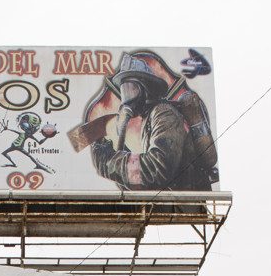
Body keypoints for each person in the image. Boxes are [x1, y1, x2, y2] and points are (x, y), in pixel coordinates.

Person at [88, 54, 213, 192]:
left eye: (131, 89)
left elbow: (158, 169)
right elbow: (142, 179)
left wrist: (109, 162)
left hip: (183, 203)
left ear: (146, 89)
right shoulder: (149, 119)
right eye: (124, 91)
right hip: (172, 202)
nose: (127, 99)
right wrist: (111, 156)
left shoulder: (164, 113)